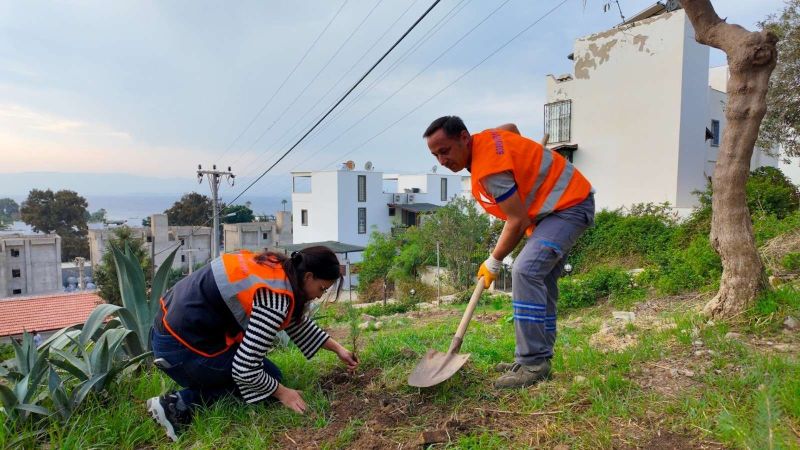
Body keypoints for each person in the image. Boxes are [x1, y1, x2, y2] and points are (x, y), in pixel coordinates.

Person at [424, 116, 594, 389]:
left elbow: (517, 220)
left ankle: (532, 364)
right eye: (436, 155)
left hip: (569, 207)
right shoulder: (489, 139)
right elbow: (511, 129)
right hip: (558, 208)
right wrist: (525, 161)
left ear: (464, 138)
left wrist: (493, 261)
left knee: (525, 270)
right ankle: (537, 358)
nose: (442, 161)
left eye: (445, 151)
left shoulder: (490, 169)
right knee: (543, 281)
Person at [146, 246, 358, 441]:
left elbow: (296, 323)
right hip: (181, 351)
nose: (319, 296)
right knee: (270, 378)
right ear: (309, 276)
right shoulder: (275, 300)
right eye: (321, 288)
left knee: (266, 377)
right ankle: (177, 405)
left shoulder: (275, 267)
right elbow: (245, 369)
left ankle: (186, 395)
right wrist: (284, 393)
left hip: (165, 334)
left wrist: (338, 349)